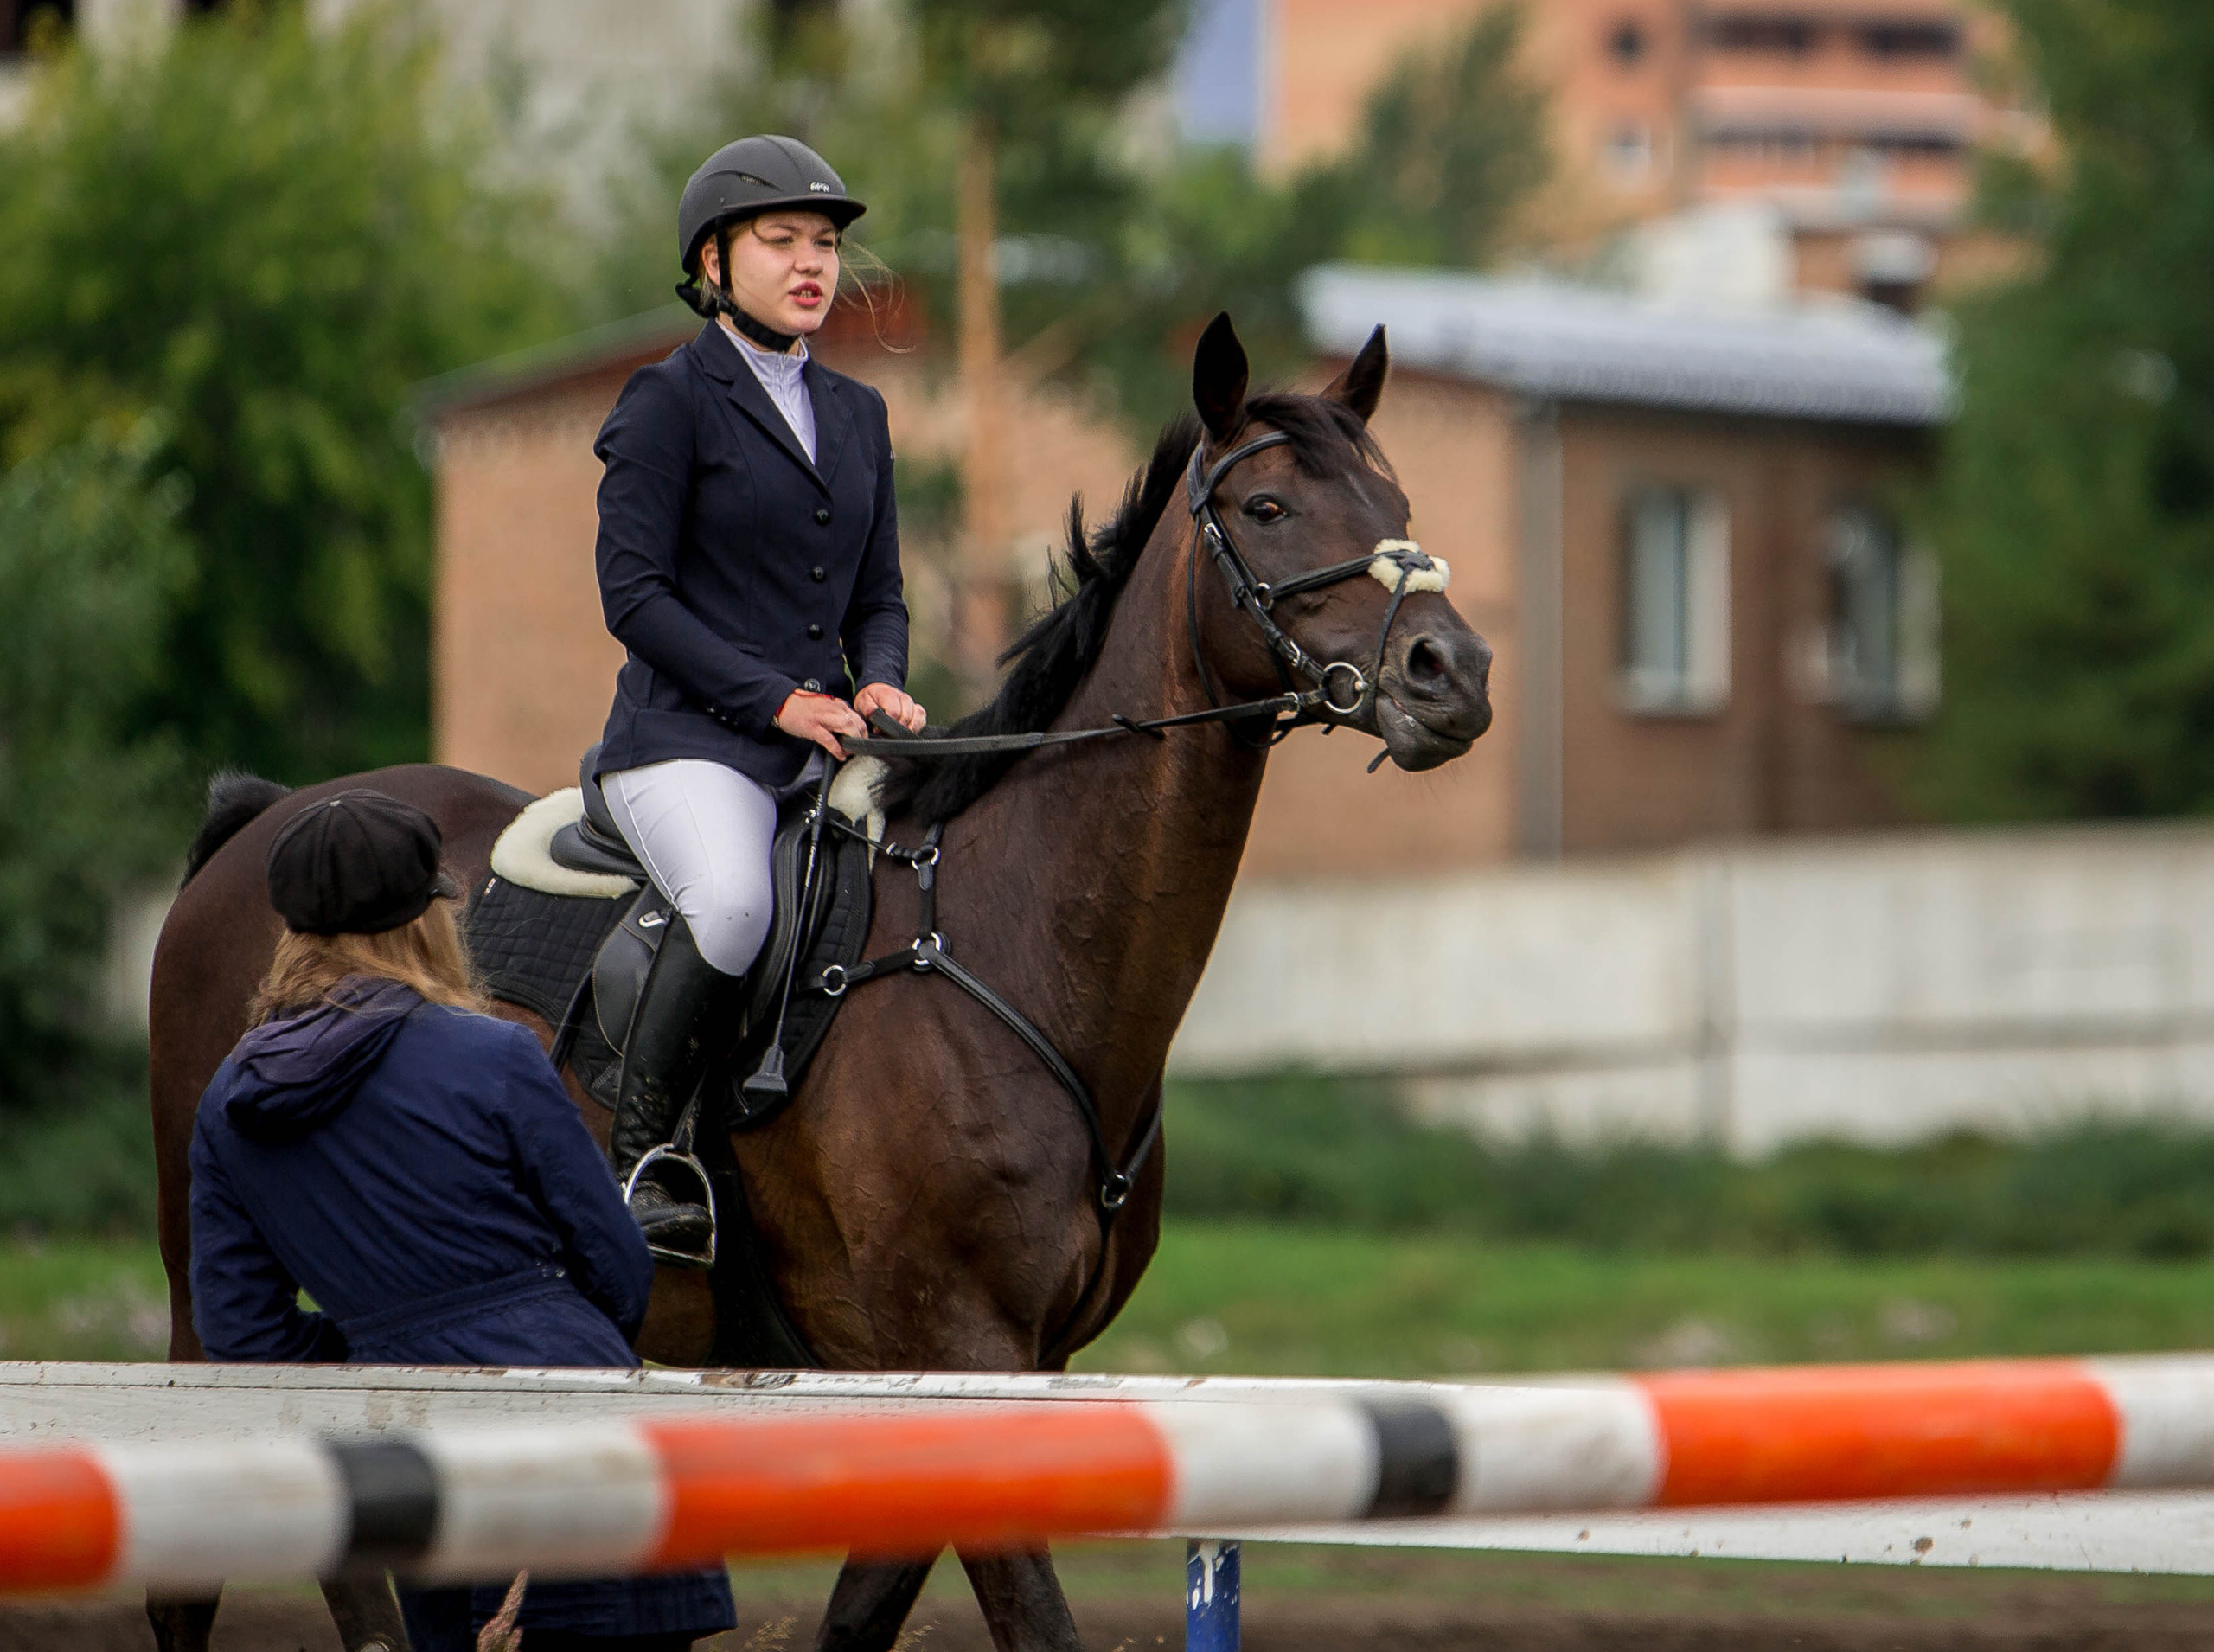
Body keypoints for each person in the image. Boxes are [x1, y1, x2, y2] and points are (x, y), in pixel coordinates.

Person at [189, 788, 739, 1652]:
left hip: (412, 1457)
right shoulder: (493, 1054)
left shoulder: (226, 1103)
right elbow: (622, 1267)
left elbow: (242, 1336)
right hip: (576, 1432)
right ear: (422, 924)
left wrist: (386, 1347)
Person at [591, 133, 925, 1265]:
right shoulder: (666, 403)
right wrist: (778, 699)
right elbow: (633, 598)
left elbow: (879, 593)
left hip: (822, 738)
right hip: (684, 742)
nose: (811, 263)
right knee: (733, 904)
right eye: (780, 241)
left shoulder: (860, 413)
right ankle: (642, 1162)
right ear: (714, 260)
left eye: (825, 244)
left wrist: (879, 673)